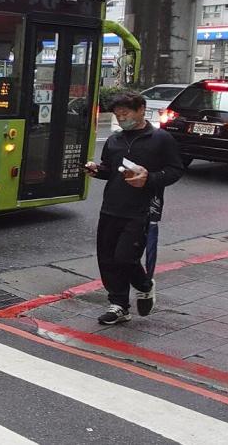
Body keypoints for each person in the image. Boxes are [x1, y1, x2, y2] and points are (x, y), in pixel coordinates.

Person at [84, 91, 183, 325]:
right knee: (107, 259)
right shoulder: (114, 140)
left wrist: (149, 178)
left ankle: (144, 285)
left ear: (141, 110)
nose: (121, 119)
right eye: (118, 115)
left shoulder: (160, 139)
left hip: (142, 210)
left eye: (125, 113)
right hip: (111, 207)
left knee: (125, 258)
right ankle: (119, 305)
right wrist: (96, 170)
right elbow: (110, 169)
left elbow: (175, 170)